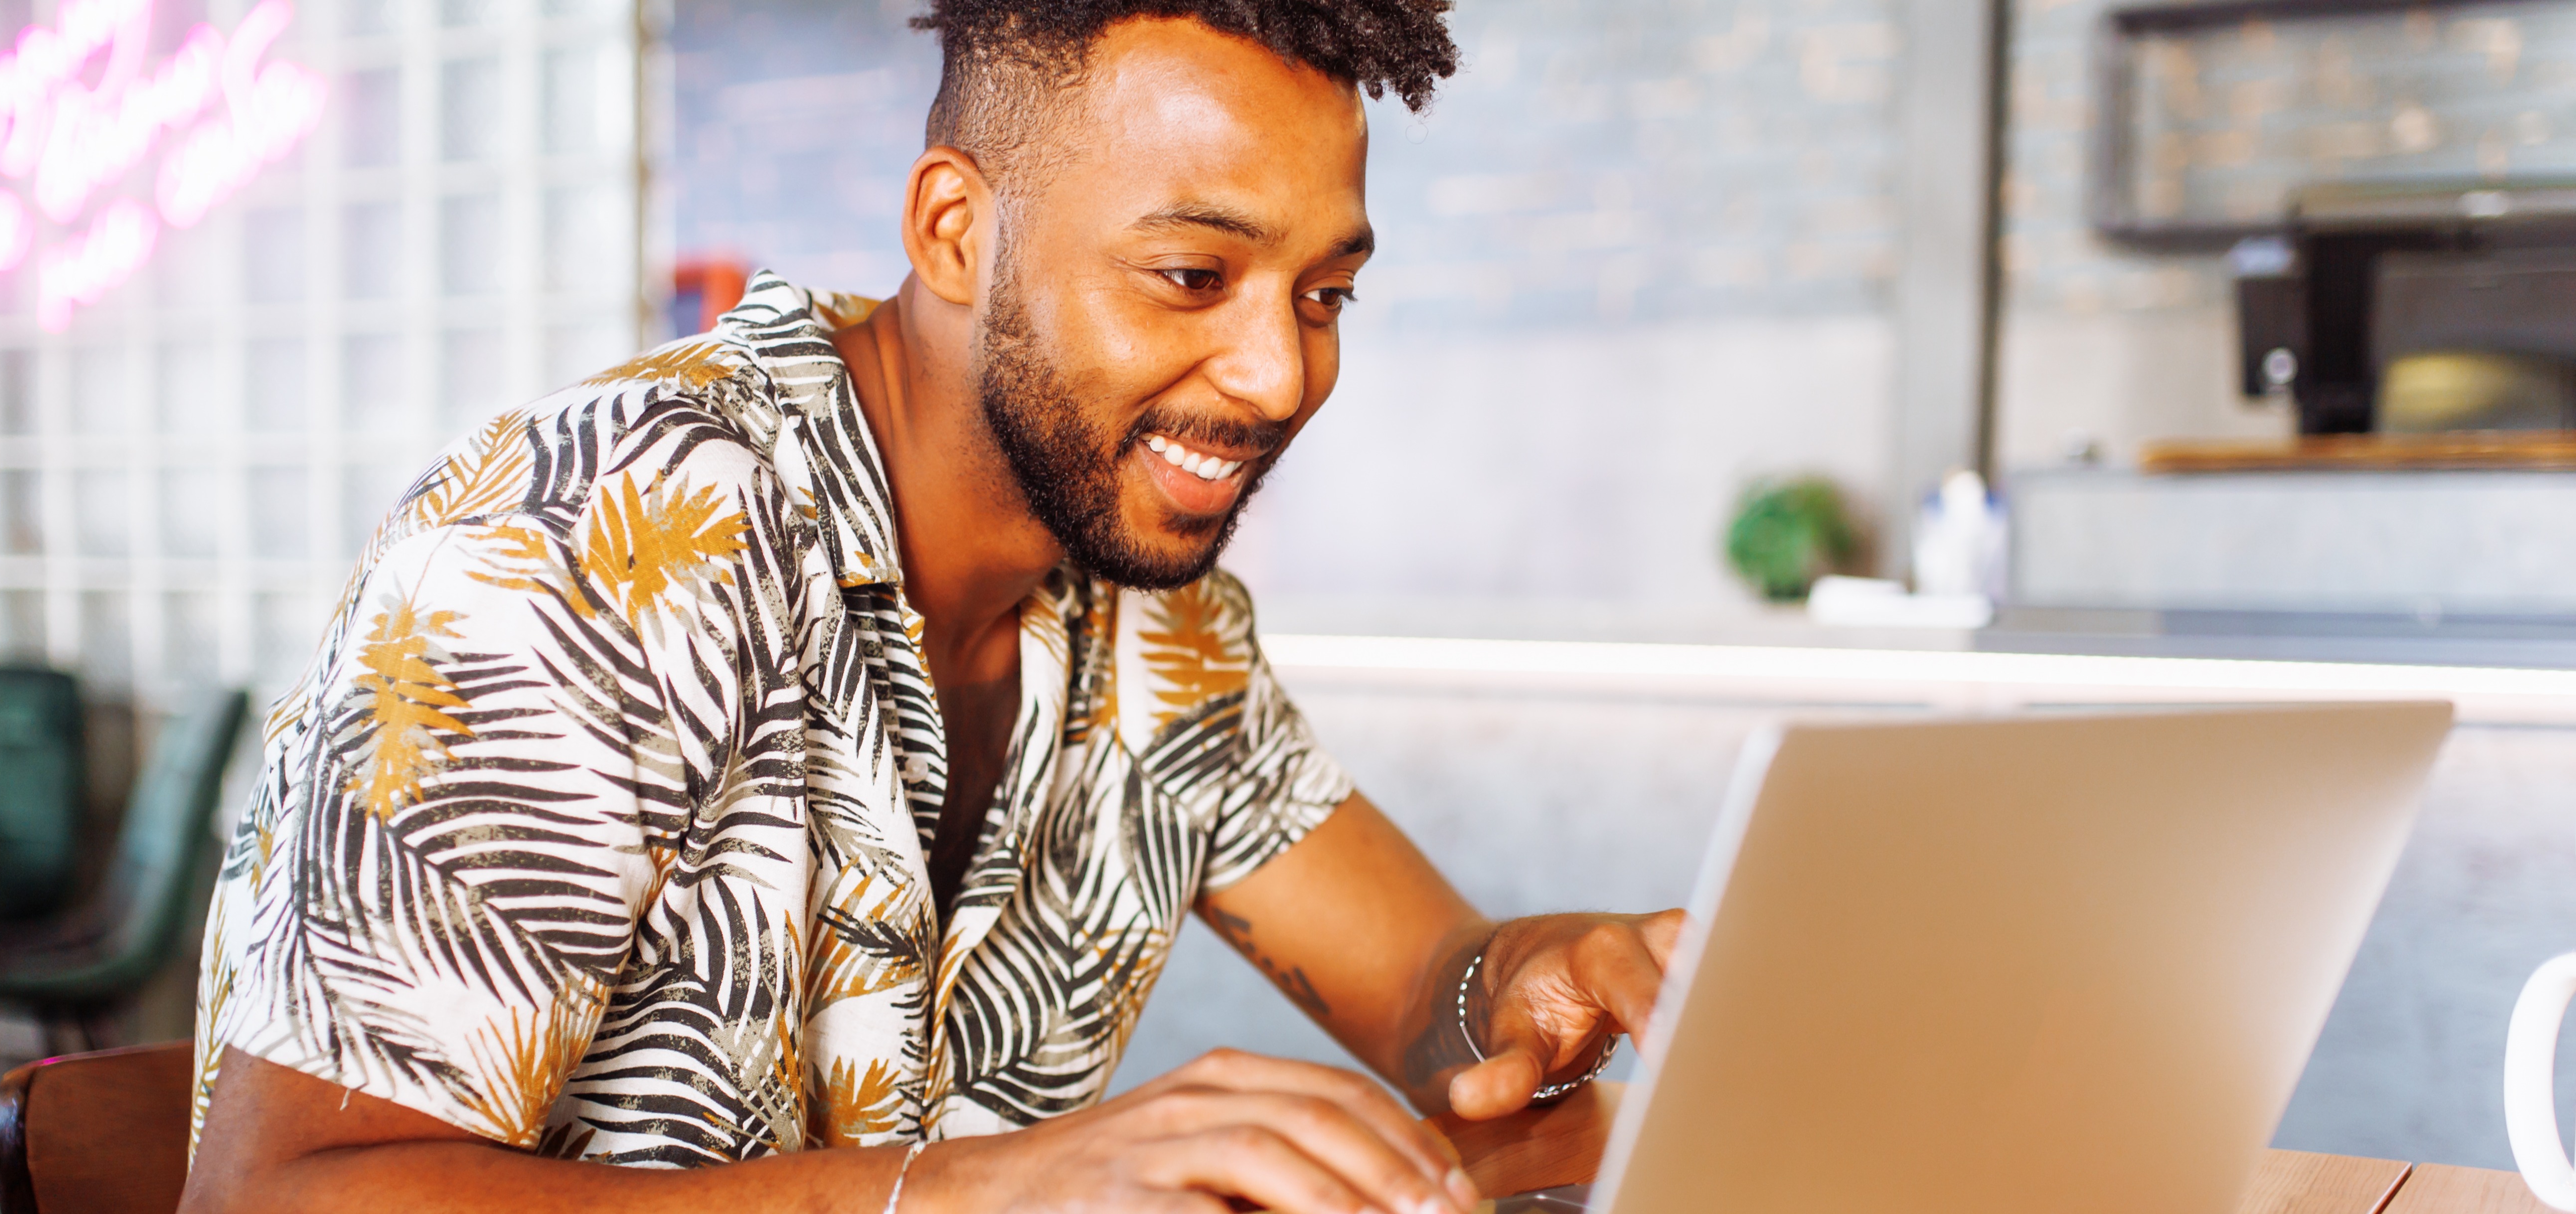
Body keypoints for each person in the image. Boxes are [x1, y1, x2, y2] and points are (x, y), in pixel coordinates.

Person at [179, 2, 1684, 1211]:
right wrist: (980, 1190)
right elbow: (278, 1196)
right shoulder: (600, 532)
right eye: (1190, 273)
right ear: (955, 230)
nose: (1280, 376)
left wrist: (1530, 982)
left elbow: (1424, 982)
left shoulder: (1151, 608)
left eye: (1321, 293)